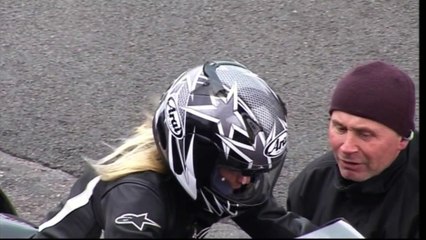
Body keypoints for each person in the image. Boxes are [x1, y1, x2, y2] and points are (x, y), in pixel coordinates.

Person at [32, 60, 318, 238]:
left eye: (254, 173)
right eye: (238, 169)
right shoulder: (136, 202)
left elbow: (277, 225)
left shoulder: (220, 181)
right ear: (197, 157)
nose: (246, 180)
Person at [286, 60, 419, 238]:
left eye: (365, 134)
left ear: (403, 139)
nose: (347, 148)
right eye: (340, 129)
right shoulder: (312, 184)